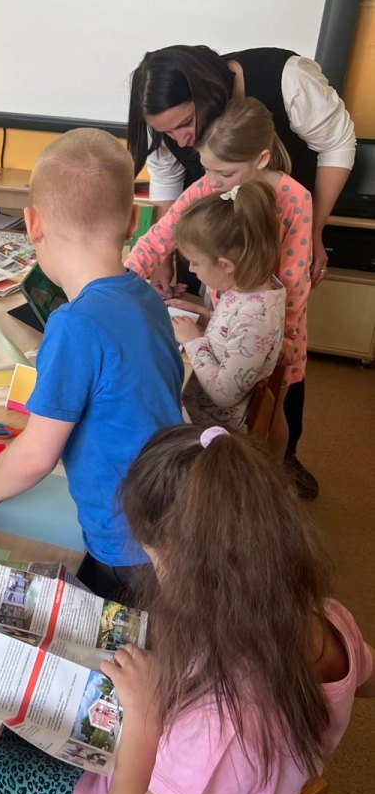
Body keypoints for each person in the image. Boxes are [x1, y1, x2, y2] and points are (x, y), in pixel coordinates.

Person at [0, 425, 374, 794]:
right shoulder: (330, 623)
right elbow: (364, 678)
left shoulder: (225, 723)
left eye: (153, 555)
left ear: (193, 569)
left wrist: (144, 718)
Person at [0, 129, 184, 602]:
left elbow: (38, 456)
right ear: (133, 221)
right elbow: (44, 436)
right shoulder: (145, 296)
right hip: (167, 515)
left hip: (127, 547)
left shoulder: (74, 326)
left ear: (32, 224)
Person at [126, 98, 315, 495]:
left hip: (271, 329)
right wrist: (122, 284)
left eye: (224, 172)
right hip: (230, 317)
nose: (211, 182)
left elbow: (294, 283)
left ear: (261, 159)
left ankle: (271, 484)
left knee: (271, 411)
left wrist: (280, 344)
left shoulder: (294, 198)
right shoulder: (208, 187)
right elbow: (159, 237)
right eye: (206, 169)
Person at [127, 44, 356, 287]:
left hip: (275, 249)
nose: (181, 142)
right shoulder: (204, 186)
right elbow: (165, 193)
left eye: (186, 123)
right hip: (211, 247)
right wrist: (162, 261)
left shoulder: (289, 79)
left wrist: (313, 232)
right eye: (167, 132)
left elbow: (336, 146)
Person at [170, 181, 285, 432]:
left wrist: (192, 340)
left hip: (214, 430)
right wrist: (206, 318)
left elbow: (224, 394)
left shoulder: (256, 317)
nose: (191, 269)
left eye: (194, 262)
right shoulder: (247, 289)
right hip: (203, 410)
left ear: (226, 265)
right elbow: (234, 336)